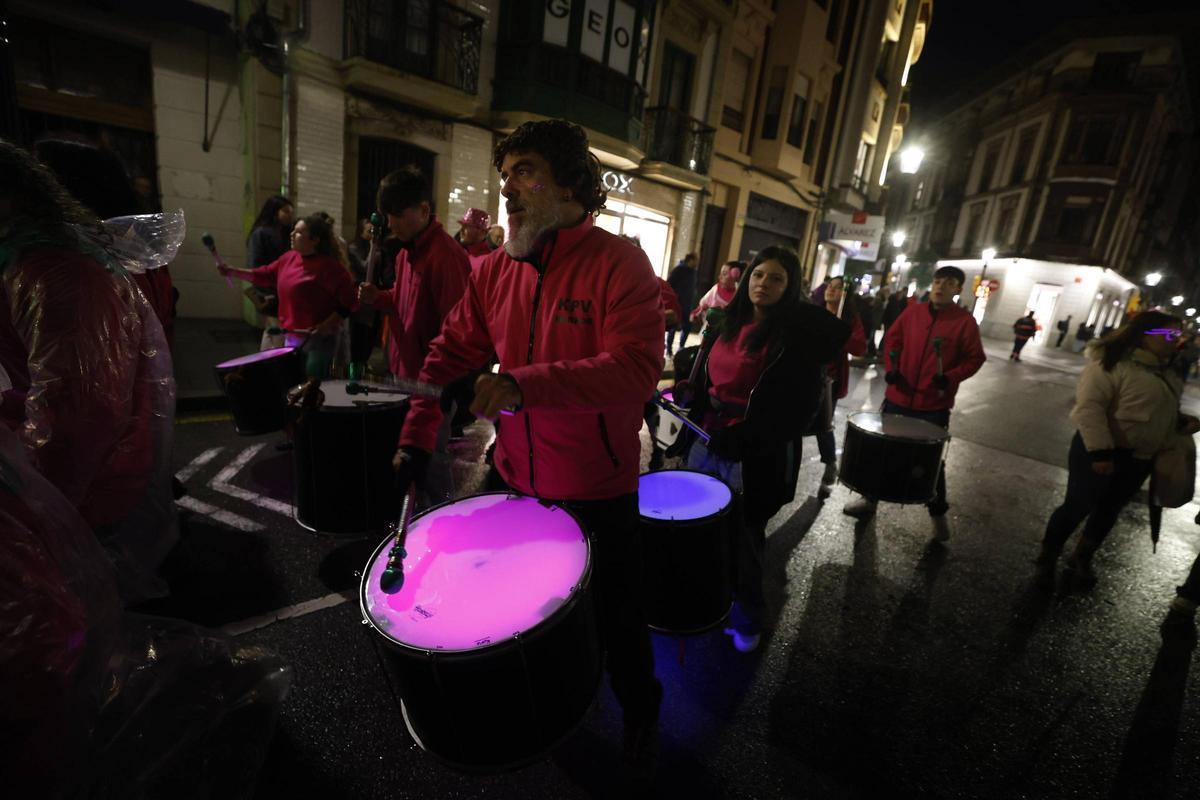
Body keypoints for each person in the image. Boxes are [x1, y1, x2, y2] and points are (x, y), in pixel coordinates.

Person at [391, 119, 664, 778]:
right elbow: (446, 356)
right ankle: (533, 701)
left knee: (620, 618)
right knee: (501, 599)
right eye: (505, 174)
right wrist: (416, 437)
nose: (508, 187)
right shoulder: (492, 272)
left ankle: (641, 712)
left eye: (525, 171)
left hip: (598, 486)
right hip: (515, 474)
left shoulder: (620, 263)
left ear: (568, 183)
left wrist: (522, 385)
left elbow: (635, 369)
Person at [0, 139, 177, 602]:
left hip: (92, 479)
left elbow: (79, 415)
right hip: (103, 460)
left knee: (83, 607)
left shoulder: (53, 271)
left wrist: (32, 500)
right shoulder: (46, 260)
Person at [679, 246, 849, 652]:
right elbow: (709, 377)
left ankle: (748, 617)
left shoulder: (795, 338)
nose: (763, 284)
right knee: (698, 527)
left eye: (776, 278)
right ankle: (708, 601)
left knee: (744, 537)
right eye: (758, 275)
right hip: (708, 438)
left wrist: (748, 436)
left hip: (751, 453)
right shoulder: (728, 322)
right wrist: (694, 392)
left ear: (790, 287)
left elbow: (800, 410)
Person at [1035, 312, 1197, 587]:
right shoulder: (1111, 364)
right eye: (1169, 334)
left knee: (1109, 510)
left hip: (1140, 457)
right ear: (1144, 335)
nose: (1176, 340)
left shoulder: (1165, 371)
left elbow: (1152, 408)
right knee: (1078, 505)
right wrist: (1101, 453)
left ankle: (1082, 556)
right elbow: (1090, 409)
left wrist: (1178, 421)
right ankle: (1048, 555)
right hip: (1099, 452)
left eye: (1177, 335)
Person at [843, 265, 986, 541]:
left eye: (948, 283)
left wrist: (950, 377)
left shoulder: (965, 322)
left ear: (958, 289)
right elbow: (892, 341)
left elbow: (975, 358)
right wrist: (892, 367)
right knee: (882, 451)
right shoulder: (913, 313)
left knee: (931, 463)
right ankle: (870, 500)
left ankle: (938, 515)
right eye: (938, 280)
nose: (940, 286)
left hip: (933, 405)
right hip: (898, 398)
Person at [357, 167, 472, 381]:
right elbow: (403, 302)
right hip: (405, 371)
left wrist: (430, 380)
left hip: (429, 380)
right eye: (388, 216)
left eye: (398, 215)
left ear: (424, 210)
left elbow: (457, 331)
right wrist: (378, 297)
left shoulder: (446, 256)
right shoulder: (405, 252)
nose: (391, 224)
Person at [216, 213, 356, 378]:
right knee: (291, 383)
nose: (292, 234)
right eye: (293, 230)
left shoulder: (330, 268)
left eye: (298, 232)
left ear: (315, 240)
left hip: (319, 340)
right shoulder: (289, 258)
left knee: (312, 385)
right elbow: (265, 274)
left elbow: (349, 302)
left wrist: (326, 325)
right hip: (291, 337)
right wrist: (233, 271)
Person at [815, 276, 867, 498]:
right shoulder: (815, 312)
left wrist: (841, 332)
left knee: (823, 424)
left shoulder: (849, 319)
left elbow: (860, 347)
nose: (832, 291)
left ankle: (829, 464)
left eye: (838, 288)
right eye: (830, 286)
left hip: (830, 380)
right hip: (807, 374)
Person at [246, 195, 295, 349]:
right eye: (286, 211)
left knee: (274, 333)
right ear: (274, 212)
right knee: (276, 333)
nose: (290, 215)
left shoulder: (288, 234)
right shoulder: (261, 234)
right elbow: (256, 266)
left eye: (291, 212)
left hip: (284, 292)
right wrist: (266, 292)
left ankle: (268, 360)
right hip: (271, 293)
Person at [666, 252, 698, 355]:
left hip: (688, 305)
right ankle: (669, 349)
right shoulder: (679, 270)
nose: (697, 263)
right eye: (696, 260)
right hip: (678, 304)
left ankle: (681, 347)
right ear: (691, 260)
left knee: (687, 327)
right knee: (673, 327)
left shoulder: (693, 272)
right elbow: (669, 284)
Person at [691, 260, 741, 326]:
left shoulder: (738, 295)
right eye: (721, 274)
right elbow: (702, 306)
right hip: (709, 328)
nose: (720, 277)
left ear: (735, 275)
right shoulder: (715, 289)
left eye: (724, 274)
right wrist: (695, 314)